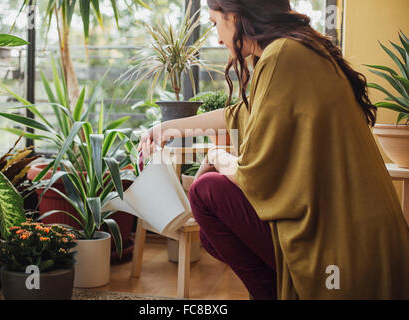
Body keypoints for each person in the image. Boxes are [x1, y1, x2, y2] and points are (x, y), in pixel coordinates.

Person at [137, 0, 409, 300]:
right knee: (210, 233)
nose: (216, 38)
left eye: (215, 23)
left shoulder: (282, 55)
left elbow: (256, 175)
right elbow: (242, 113)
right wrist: (166, 129)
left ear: (236, 15)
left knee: (206, 191)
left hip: (341, 244)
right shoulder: (297, 49)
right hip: (369, 237)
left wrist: (214, 157)